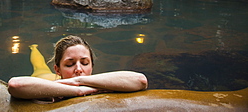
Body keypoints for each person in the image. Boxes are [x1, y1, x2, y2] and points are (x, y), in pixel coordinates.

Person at [8, 35, 148, 100]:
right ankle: (33, 48)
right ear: (57, 70)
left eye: (85, 63)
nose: (79, 69)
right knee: (39, 67)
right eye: (70, 64)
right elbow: (15, 85)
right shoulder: (48, 87)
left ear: (92, 66)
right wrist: (78, 90)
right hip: (43, 78)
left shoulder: (100, 82)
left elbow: (141, 80)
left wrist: (78, 80)